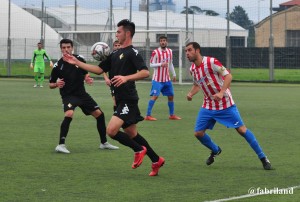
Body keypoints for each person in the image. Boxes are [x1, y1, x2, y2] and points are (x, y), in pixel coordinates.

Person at [63, 19, 165, 176]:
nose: (116, 34)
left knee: (111, 131)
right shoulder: (115, 53)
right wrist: (76, 62)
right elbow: (98, 69)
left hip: (128, 100)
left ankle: (139, 150)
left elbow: (145, 72)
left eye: (118, 32)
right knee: (132, 134)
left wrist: (126, 78)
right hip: (120, 100)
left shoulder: (133, 52)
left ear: (127, 33)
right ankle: (156, 160)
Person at [185, 42, 272, 170]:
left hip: (225, 104)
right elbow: (198, 84)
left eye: (189, 50)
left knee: (242, 130)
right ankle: (215, 150)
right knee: (198, 133)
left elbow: (228, 76)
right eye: (186, 51)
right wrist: (191, 93)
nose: (187, 53)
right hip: (208, 106)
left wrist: (221, 92)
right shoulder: (192, 69)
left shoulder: (211, 62)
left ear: (197, 50)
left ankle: (263, 158)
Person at [49, 38, 119, 154]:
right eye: (63, 48)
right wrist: (56, 84)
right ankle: (61, 145)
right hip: (68, 96)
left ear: (72, 48)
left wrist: (87, 78)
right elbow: (50, 84)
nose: (66, 50)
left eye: (68, 47)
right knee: (69, 114)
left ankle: (104, 143)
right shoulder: (58, 65)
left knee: (99, 115)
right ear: (61, 49)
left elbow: (85, 73)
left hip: (82, 94)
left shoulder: (79, 59)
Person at [144, 36, 181, 121]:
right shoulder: (155, 52)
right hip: (157, 79)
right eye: (161, 41)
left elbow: (170, 63)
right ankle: (148, 115)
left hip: (167, 79)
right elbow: (151, 64)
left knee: (171, 96)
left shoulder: (170, 51)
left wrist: (174, 74)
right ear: (159, 42)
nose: (162, 42)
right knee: (155, 96)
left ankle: (172, 115)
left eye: (164, 41)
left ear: (166, 42)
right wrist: (160, 64)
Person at [102, 40, 121, 112]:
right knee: (115, 100)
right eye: (115, 46)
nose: (117, 47)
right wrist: (106, 79)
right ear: (113, 47)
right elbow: (103, 70)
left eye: (119, 45)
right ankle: (116, 114)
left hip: (123, 81)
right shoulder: (110, 57)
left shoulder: (125, 55)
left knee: (122, 100)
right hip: (113, 81)